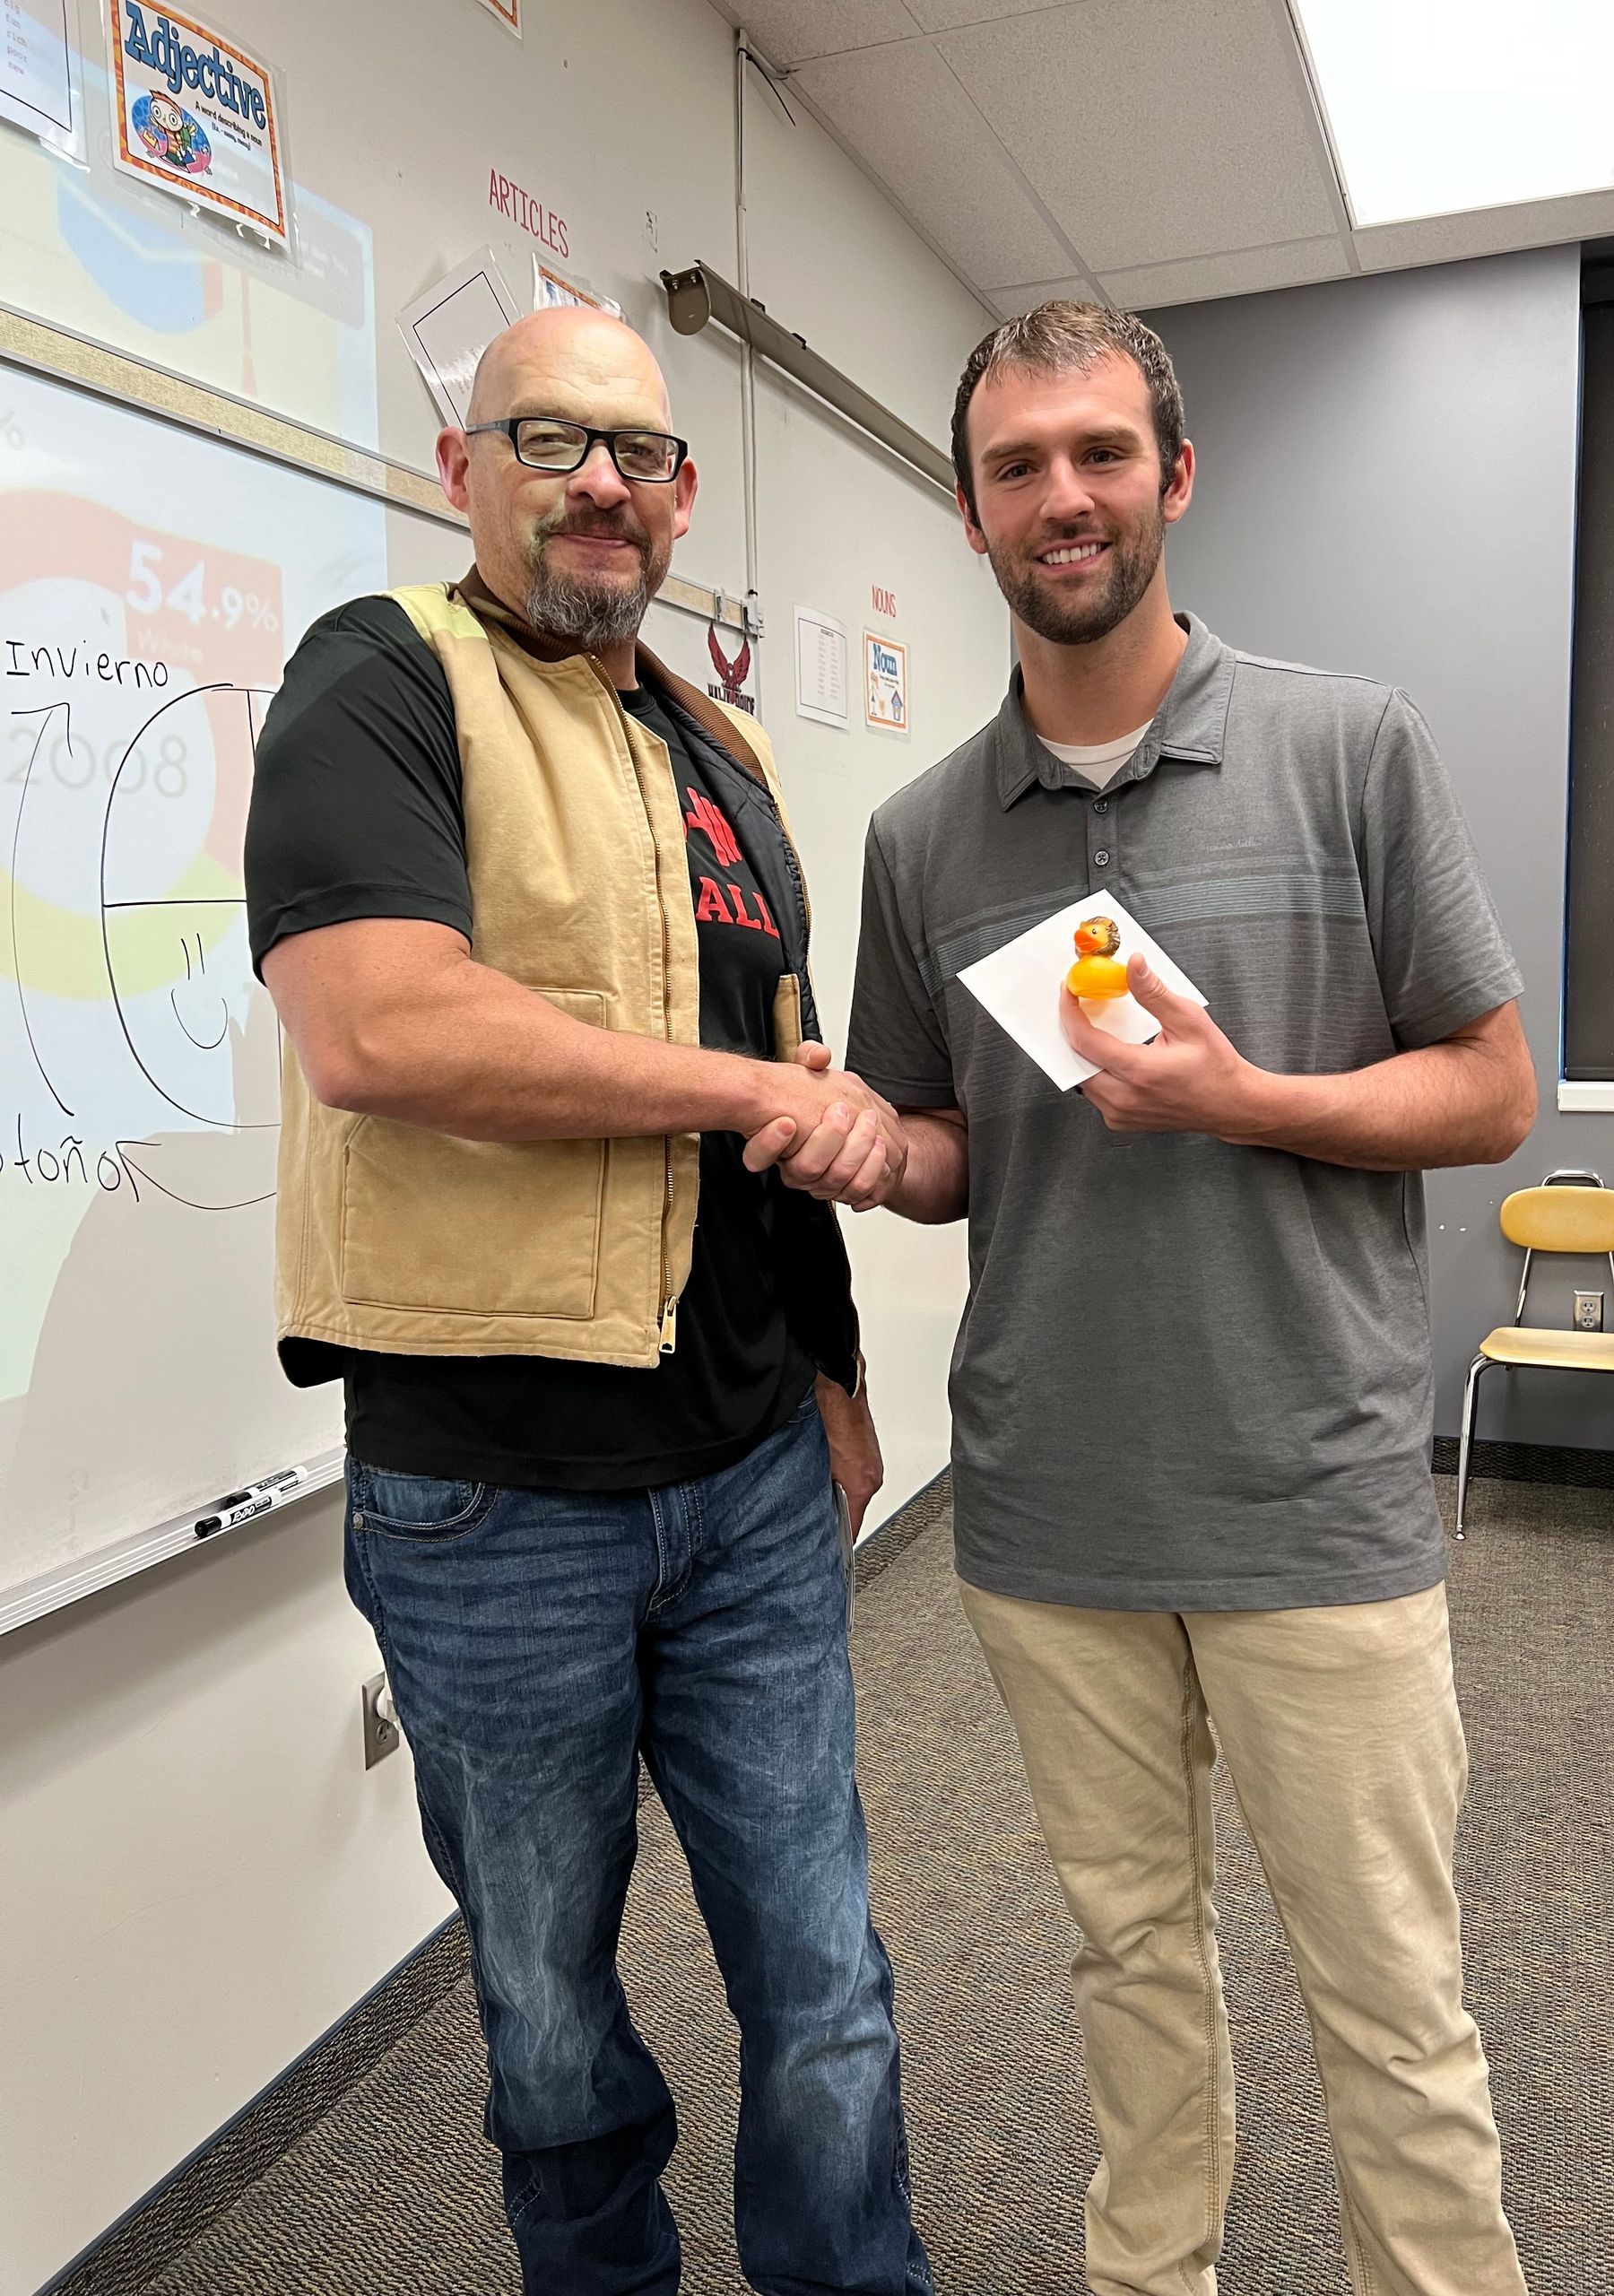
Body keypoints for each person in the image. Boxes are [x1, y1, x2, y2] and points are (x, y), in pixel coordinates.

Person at [748, 302, 1539, 2296]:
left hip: (1313, 1497)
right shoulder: (922, 833)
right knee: (1131, 1973)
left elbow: (1492, 1088)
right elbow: (948, 1144)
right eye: (1018, 465)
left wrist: (1243, 1094)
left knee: (1391, 1996)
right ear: (970, 508)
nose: (1063, 495)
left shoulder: (1348, 747)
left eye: (1101, 452)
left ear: (1176, 477)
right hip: (1051, 1517)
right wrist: (871, 1147)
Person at [244, 305, 930, 2296]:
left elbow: (778, 1073)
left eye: (637, 451)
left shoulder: (719, 757)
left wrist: (833, 1369)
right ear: (466, 467)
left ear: (682, 498)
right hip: (494, 1507)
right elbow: (380, 1024)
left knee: (827, 1978)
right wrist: (745, 1093)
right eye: (550, 440)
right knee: (551, 2022)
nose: (601, 482)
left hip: (751, 1484)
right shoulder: (379, 677)